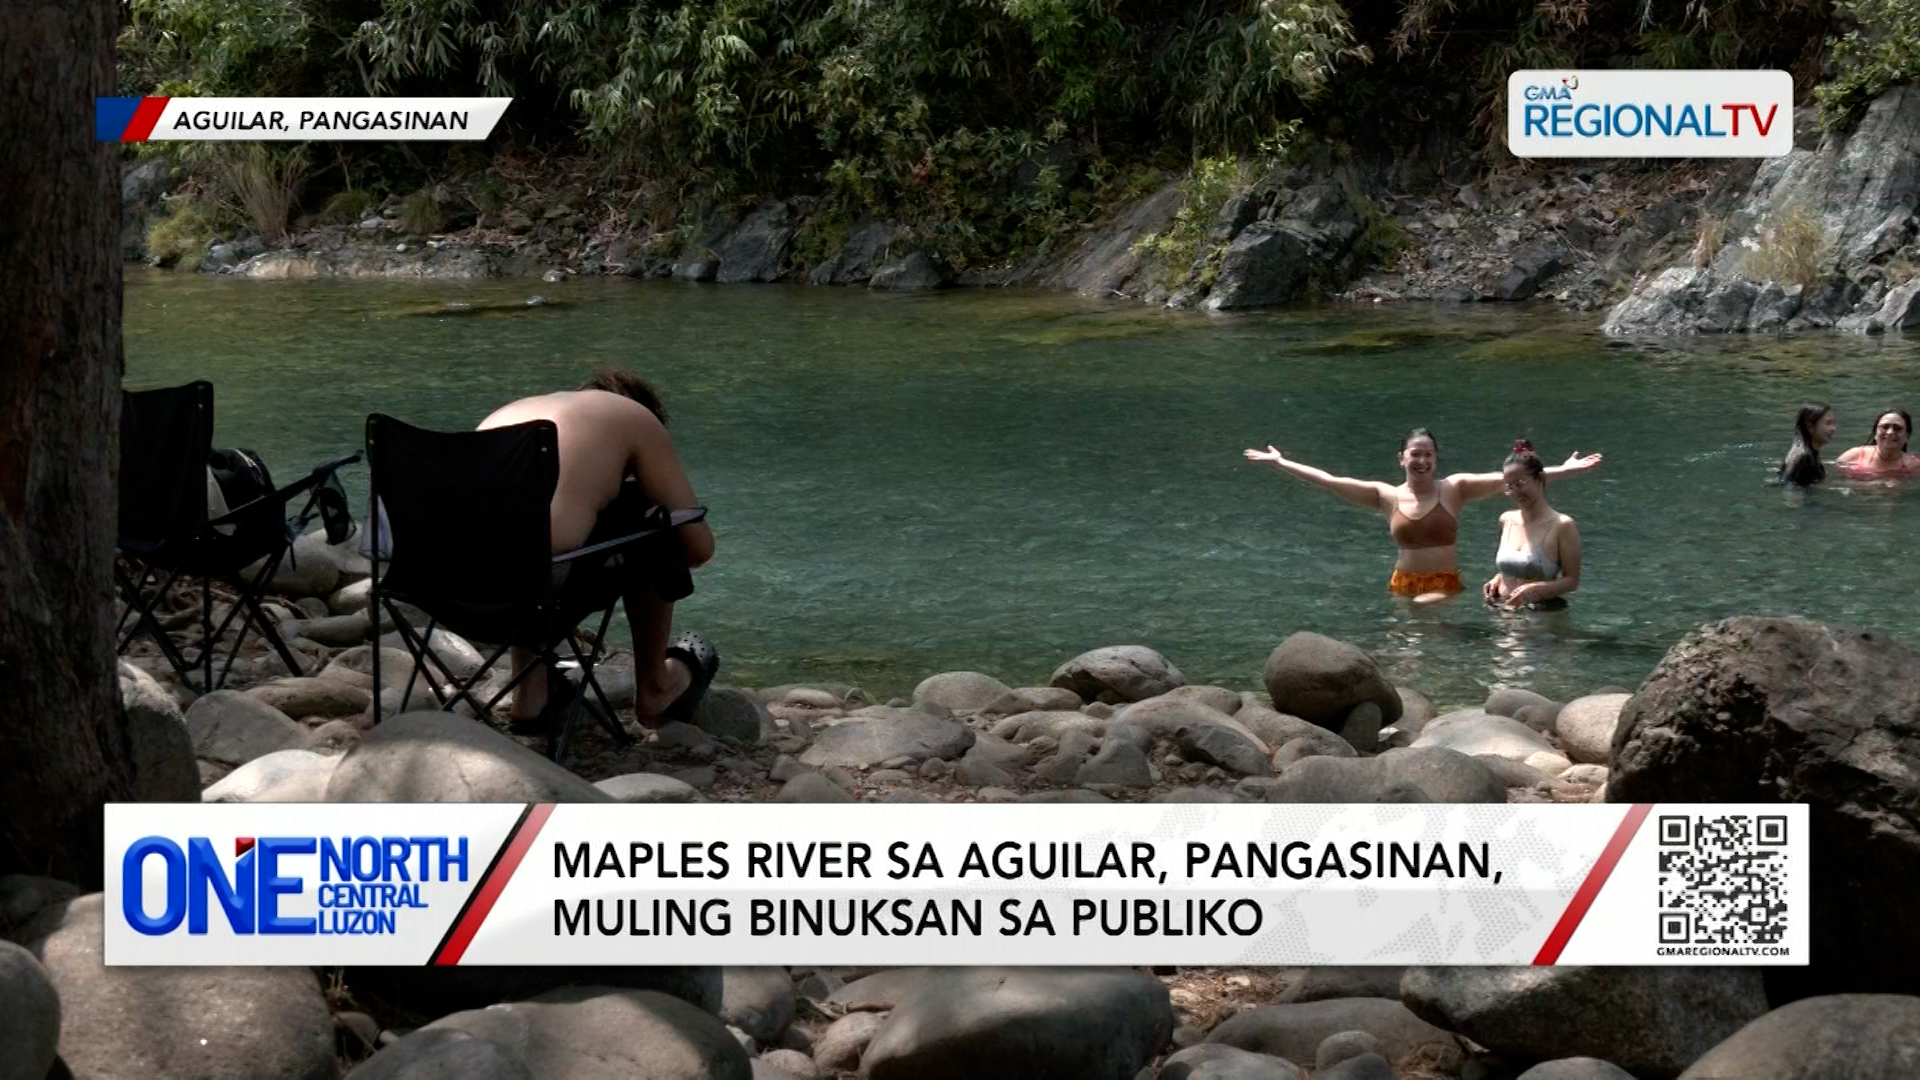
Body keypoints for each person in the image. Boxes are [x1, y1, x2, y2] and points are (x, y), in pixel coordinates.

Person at [477, 369, 719, 734]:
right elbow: (699, 549)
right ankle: (657, 685)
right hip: (538, 593)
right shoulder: (636, 418)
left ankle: (533, 695)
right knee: (653, 525)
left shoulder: (512, 413)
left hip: (450, 590)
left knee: (534, 539)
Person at [1243, 429, 1603, 604]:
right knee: (1412, 649)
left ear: (1436, 458)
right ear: (1401, 458)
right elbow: (1328, 481)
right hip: (1402, 583)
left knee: (1426, 634)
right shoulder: (1385, 496)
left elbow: (1514, 479)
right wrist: (1281, 462)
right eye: (1415, 454)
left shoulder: (1456, 488)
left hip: (1443, 584)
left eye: (1429, 454)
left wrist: (1568, 470)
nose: (1422, 460)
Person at [1481, 439, 1582, 610]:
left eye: (1520, 483)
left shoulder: (1562, 525)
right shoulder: (1506, 520)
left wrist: (1537, 590)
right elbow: (1513, 566)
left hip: (1540, 615)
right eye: (1509, 486)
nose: (1515, 492)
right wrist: (1499, 576)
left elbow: (1571, 581)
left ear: (1540, 479)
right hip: (1500, 610)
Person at [1835, 407, 1920, 478]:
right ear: (1875, 433)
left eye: (1897, 428)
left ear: (1907, 436)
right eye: (1885, 427)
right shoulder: (1853, 457)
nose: (1890, 432)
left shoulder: (1915, 466)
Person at [1778, 402, 1837, 486]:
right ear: (1810, 426)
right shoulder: (1804, 458)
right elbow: (1792, 491)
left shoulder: (1806, 453)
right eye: (1828, 423)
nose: (1833, 428)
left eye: (1834, 423)